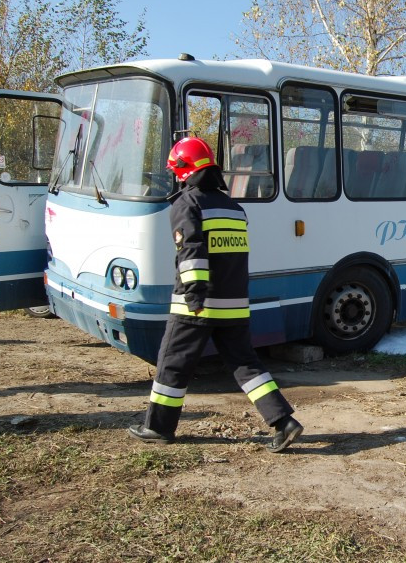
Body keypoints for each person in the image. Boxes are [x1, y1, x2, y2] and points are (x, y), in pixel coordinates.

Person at [128, 136, 302, 452]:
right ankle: (283, 422)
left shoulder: (186, 204)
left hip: (197, 306)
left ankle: (158, 427)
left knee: (172, 363)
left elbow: (191, 252)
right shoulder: (234, 208)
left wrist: (194, 295)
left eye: (176, 170)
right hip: (234, 305)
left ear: (184, 170)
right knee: (246, 366)